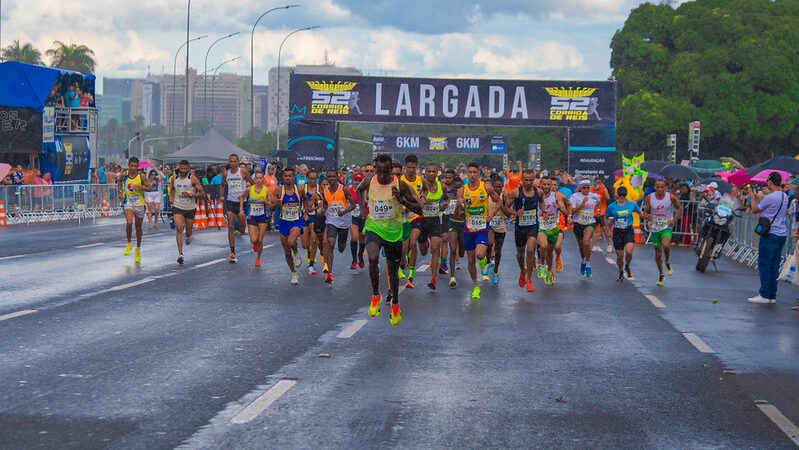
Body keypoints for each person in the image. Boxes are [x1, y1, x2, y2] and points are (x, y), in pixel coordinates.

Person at [357, 154, 423, 325]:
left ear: (391, 171)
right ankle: (375, 296)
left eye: (386, 172)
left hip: (394, 231)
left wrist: (401, 200)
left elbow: (419, 209)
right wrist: (362, 210)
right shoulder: (369, 181)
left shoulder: (400, 185)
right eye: (379, 171)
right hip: (374, 227)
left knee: (393, 272)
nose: (382, 175)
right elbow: (358, 190)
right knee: (372, 258)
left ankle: (395, 303)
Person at [457, 162, 501, 301]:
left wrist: (492, 214)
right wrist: (459, 206)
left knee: (480, 254)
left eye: (475, 172)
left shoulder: (486, 187)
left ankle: (482, 261)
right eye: (470, 172)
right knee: (470, 261)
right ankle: (476, 286)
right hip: (468, 228)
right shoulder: (461, 191)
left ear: (479, 174)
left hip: (482, 227)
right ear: (467, 174)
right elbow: (459, 213)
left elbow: (499, 201)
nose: (472, 174)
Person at [746, 172, 789, 304]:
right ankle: (771, 295)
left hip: (770, 234)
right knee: (774, 266)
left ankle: (764, 294)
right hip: (781, 234)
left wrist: (752, 197)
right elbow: (768, 204)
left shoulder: (770, 197)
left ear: (770, 182)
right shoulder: (784, 196)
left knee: (764, 264)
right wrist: (759, 197)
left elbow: (755, 210)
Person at [506, 169, 544, 292]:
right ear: (522, 180)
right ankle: (522, 271)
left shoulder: (538, 192)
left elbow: (541, 201)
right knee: (520, 254)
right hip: (520, 227)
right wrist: (516, 213)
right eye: (526, 180)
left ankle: (529, 280)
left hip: (532, 226)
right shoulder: (516, 192)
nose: (528, 182)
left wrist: (543, 211)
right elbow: (506, 207)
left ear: (534, 180)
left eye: (530, 180)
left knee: (530, 250)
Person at [642, 179, 683, 286]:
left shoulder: (671, 197)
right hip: (655, 227)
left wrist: (673, 220)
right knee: (658, 253)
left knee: (665, 245)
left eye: (662, 187)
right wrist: (648, 218)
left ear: (665, 187)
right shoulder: (650, 197)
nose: (660, 189)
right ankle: (661, 274)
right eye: (657, 187)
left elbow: (679, 208)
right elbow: (645, 213)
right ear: (655, 187)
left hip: (666, 226)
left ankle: (668, 261)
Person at [272, 167, 308, 284]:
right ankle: (293, 273)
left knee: (291, 242)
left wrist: (306, 212)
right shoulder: (278, 190)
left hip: (296, 221)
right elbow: (271, 207)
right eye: (286, 176)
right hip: (283, 222)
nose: (288, 178)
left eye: (290, 176)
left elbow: (305, 199)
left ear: (294, 177)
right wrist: (276, 204)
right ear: (283, 177)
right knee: (287, 252)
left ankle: (296, 251)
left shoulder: (300, 190)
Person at [322, 167, 357, 284]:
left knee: (341, 248)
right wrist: (323, 210)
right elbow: (325, 204)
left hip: (344, 222)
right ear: (327, 178)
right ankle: (330, 273)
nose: (331, 179)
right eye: (329, 177)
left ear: (337, 177)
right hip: (331, 220)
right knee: (330, 243)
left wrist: (344, 211)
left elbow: (353, 204)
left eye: (333, 177)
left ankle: (344, 241)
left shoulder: (344, 189)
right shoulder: (325, 190)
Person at [535, 176, 571, 286]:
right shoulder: (536, 195)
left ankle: (549, 271)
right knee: (544, 246)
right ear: (540, 184)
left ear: (551, 185)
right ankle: (541, 265)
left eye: (548, 184)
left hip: (553, 228)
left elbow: (565, 212)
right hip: (541, 227)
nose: (546, 186)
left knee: (550, 252)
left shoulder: (556, 196)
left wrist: (559, 207)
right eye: (544, 184)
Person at [419, 163, 448, 289]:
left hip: (435, 220)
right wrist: (422, 202)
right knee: (424, 250)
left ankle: (433, 279)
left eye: (434, 171)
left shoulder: (441, 186)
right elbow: (414, 199)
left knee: (435, 248)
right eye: (429, 171)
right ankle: (425, 241)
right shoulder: (421, 185)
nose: (431, 173)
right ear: (425, 172)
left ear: (437, 173)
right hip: (422, 221)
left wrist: (444, 205)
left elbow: (446, 199)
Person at [169, 160, 205, 265]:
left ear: (188, 169)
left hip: (190, 208)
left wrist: (190, 195)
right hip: (178, 206)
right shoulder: (174, 178)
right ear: (178, 168)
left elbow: (202, 193)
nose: (183, 171)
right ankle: (180, 254)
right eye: (181, 169)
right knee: (179, 228)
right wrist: (171, 199)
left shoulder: (192, 179)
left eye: (185, 169)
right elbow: (172, 189)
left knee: (188, 231)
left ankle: (189, 236)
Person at [221, 154, 254, 263]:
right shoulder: (226, 173)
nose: (233, 163)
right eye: (231, 161)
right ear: (228, 162)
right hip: (230, 202)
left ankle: (244, 231)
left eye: (235, 161)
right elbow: (222, 185)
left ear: (238, 162)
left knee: (241, 229)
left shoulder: (243, 172)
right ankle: (232, 253)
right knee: (230, 226)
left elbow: (253, 183)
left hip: (242, 202)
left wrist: (248, 191)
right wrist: (222, 196)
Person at [118, 157, 151, 263]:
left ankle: (138, 249)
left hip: (139, 204)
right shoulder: (124, 174)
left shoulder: (142, 176)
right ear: (128, 165)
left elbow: (149, 188)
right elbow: (119, 181)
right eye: (131, 166)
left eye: (135, 166)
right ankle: (129, 244)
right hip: (128, 203)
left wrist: (140, 188)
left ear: (138, 167)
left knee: (138, 227)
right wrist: (120, 192)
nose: (133, 168)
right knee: (129, 222)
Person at [605, 186, 639, 282]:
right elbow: (606, 216)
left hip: (628, 230)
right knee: (619, 257)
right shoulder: (612, 206)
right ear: (617, 195)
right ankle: (620, 272)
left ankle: (627, 266)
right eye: (620, 195)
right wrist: (608, 230)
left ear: (626, 195)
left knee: (629, 252)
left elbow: (639, 211)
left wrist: (646, 216)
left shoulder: (631, 205)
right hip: (617, 232)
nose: (622, 197)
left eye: (624, 195)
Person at [400, 155, 424, 288]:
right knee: (404, 247)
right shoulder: (400, 181)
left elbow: (424, 191)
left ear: (416, 167)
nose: (410, 170)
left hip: (415, 215)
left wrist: (423, 199)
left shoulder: (420, 180)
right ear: (405, 167)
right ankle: (402, 261)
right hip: (403, 217)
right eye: (408, 168)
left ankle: (410, 276)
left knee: (413, 242)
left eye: (413, 168)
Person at [570, 179, 601, 277]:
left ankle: (588, 264)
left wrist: (598, 210)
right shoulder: (575, 196)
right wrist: (582, 205)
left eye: (588, 187)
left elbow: (599, 202)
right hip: (578, 223)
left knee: (586, 242)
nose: (586, 189)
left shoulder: (594, 196)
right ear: (580, 188)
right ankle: (583, 261)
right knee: (581, 245)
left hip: (590, 223)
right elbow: (572, 211)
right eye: (584, 188)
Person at [239, 171, 270, 267]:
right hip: (251, 216)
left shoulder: (267, 190)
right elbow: (241, 197)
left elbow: (271, 204)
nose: (259, 180)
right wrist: (241, 210)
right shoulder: (249, 189)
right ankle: (254, 244)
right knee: (253, 240)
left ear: (263, 180)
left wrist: (265, 200)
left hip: (263, 217)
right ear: (254, 179)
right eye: (257, 178)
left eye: (261, 178)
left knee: (260, 240)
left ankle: (258, 258)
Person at [486, 176, 509, 286]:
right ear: (492, 186)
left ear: (503, 187)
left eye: (500, 187)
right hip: (489, 224)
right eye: (495, 186)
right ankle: (487, 262)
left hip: (501, 225)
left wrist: (503, 207)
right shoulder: (487, 196)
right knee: (490, 243)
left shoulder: (504, 197)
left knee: (498, 251)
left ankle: (495, 271)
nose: (497, 189)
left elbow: (508, 213)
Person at [303, 169, 322, 274]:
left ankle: (311, 264)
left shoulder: (320, 189)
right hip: (305, 216)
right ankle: (309, 251)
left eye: (315, 178)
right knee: (305, 244)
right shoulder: (302, 188)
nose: (313, 180)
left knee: (314, 240)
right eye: (311, 178)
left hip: (316, 217)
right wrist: (304, 213)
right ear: (307, 178)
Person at [349, 173, 367, 269]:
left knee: (362, 238)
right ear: (353, 181)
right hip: (352, 217)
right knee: (354, 237)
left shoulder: (365, 191)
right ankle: (354, 260)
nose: (358, 182)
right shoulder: (349, 191)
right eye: (356, 180)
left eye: (360, 180)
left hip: (363, 217)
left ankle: (360, 255)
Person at [590, 177, 612, 253]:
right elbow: (589, 197)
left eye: (600, 182)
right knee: (594, 230)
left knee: (605, 229)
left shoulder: (603, 188)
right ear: (595, 182)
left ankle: (609, 244)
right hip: (593, 212)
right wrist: (594, 190)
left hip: (602, 212)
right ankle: (595, 245)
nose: (598, 184)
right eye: (597, 182)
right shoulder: (592, 188)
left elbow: (608, 198)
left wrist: (604, 189)